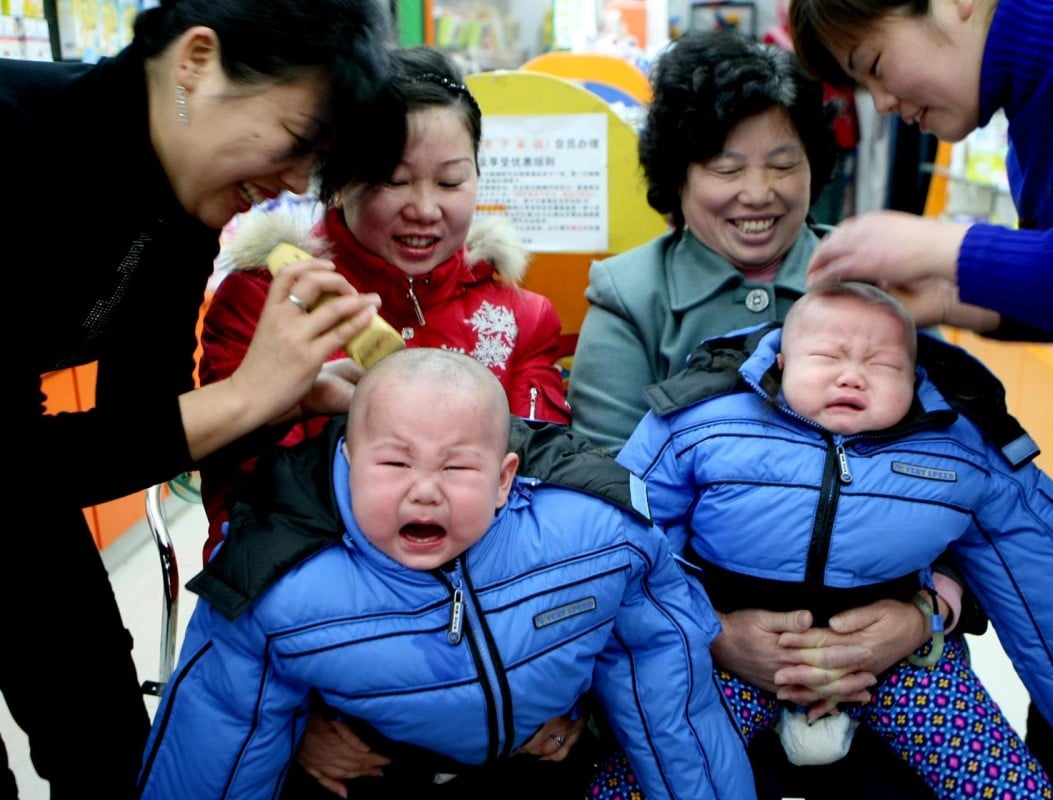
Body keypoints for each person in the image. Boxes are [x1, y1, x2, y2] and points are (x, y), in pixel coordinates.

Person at [787, 0, 1053, 795]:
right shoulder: (1029, 101)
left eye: (874, 66)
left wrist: (950, 247)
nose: (887, 106)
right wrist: (945, 301)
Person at [567, 29, 976, 799]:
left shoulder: (874, 286)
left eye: (783, 164)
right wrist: (715, 635)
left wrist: (923, 616)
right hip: (697, 658)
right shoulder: (629, 296)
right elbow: (601, 499)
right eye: (726, 167)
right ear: (676, 177)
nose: (759, 192)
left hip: (888, 650)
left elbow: (964, 472)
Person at [3, 1, 392, 796]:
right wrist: (248, 396)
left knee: (110, 747)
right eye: (297, 143)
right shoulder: (17, 144)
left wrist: (282, 397)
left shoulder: (182, 201)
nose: (292, 183)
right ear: (196, 60)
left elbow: (133, 427)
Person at [598, 282, 1053, 799]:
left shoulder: (957, 446)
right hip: (723, 657)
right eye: (827, 358)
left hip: (901, 662)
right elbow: (626, 548)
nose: (852, 376)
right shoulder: (701, 423)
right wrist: (705, 631)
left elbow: (1047, 575)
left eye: (882, 364)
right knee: (647, 776)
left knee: (1005, 781)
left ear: (915, 378)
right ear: (779, 360)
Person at [193, 47, 576, 797]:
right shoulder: (267, 300)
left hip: (499, 657)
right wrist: (289, 714)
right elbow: (238, 511)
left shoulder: (522, 314)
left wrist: (553, 683)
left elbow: (548, 498)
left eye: (451, 179)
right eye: (392, 181)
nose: (425, 208)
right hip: (325, 676)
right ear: (334, 179)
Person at [135, 347, 756, 800]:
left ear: (504, 478)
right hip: (370, 773)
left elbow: (672, 692)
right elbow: (218, 745)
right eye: (394, 462)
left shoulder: (596, 535)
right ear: (348, 461)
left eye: (457, 469)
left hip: (542, 762)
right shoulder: (275, 578)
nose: (424, 491)